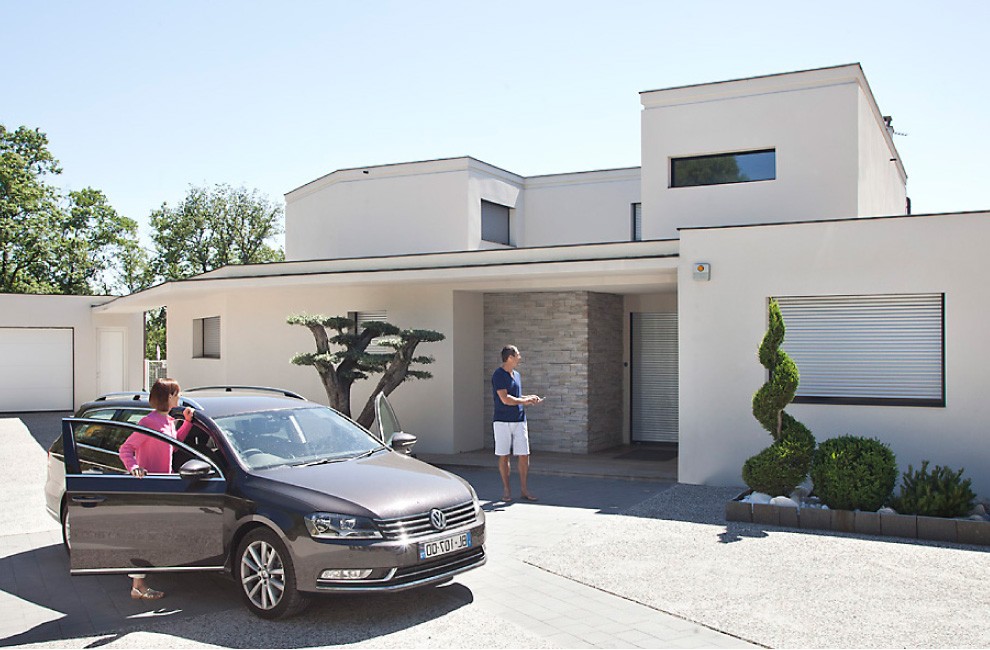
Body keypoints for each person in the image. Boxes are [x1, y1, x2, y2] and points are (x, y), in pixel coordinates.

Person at [118, 378, 195, 600]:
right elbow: (126, 449)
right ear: (169, 396)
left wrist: (187, 423)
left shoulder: (169, 421)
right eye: (177, 394)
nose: (179, 397)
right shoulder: (148, 423)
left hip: (165, 486)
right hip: (149, 487)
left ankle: (140, 582)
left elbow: (175, 442)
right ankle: (138, 585)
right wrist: (134, 468)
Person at [491, 345, 543, 502]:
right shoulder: (498, 375)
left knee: (524, 455)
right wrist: (525, 401)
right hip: (502, 421)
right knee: (504, 455)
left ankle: (524, 490)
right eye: (518, 355)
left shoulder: (517, 375)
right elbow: (505, 399)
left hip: (520, 420)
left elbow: (516, 396)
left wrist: (529, 397)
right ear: (510, 358)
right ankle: (507, 490)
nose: (520, 358)